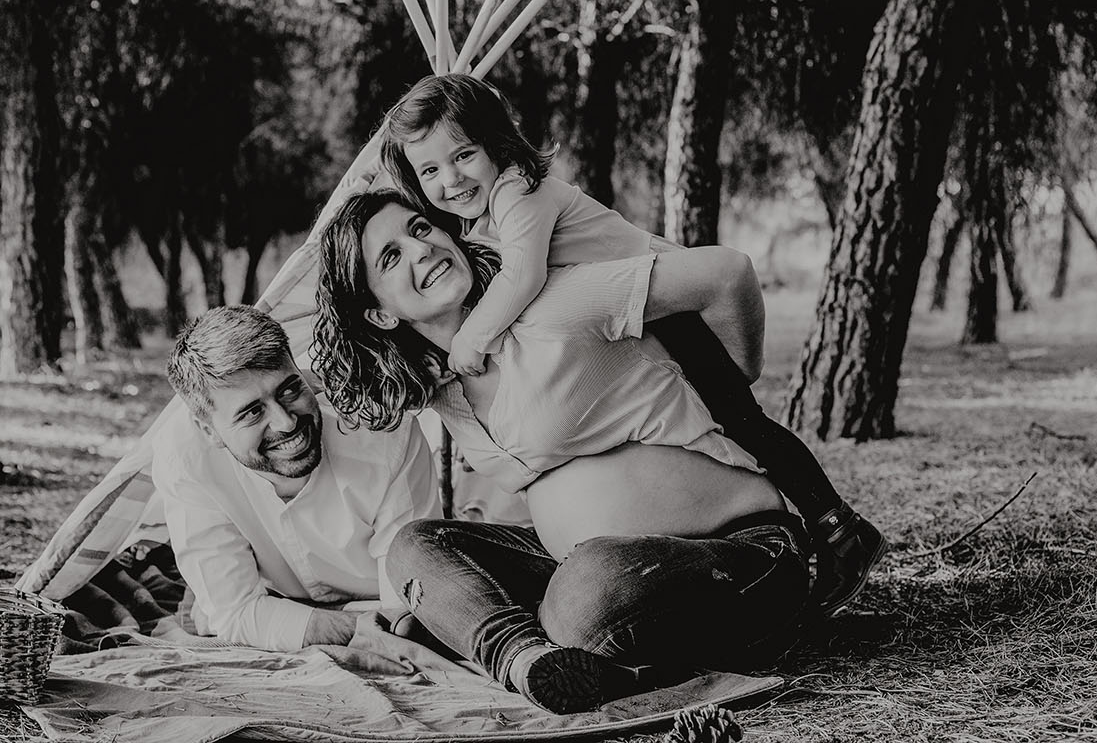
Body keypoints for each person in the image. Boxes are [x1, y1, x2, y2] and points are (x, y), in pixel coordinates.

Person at [378, 73, 883, 612]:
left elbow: (522, 277)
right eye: (430, 170)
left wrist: (471, 340)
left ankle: (838, 528)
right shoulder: (482, 218)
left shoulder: (518, 193)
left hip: (668, 311)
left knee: (745, 423)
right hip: (639, 319)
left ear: (495, 144)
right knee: (742, 421)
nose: (451, 179)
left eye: (464, 155)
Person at [313, 190, 810, 713]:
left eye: (419, 228)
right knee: (415, 546)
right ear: (380, 315)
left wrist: (733, 390)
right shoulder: (441, 387)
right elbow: (323, 381)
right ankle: (527, 659)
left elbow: (727, 275)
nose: (422, 248)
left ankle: (512, 636)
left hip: (739, 554)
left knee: (586, 587)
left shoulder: (552, 303)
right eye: (390, 257)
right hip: (585, 576)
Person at [156, 304, 447, 660]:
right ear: (208, 430)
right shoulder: (185, 458)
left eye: (290, 390)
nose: (286, 422)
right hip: (292, 600)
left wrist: (278, 621)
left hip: (372, 597)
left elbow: (405, 616)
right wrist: (356, 627)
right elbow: (235, 613)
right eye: (252, 412)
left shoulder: (385, 432)